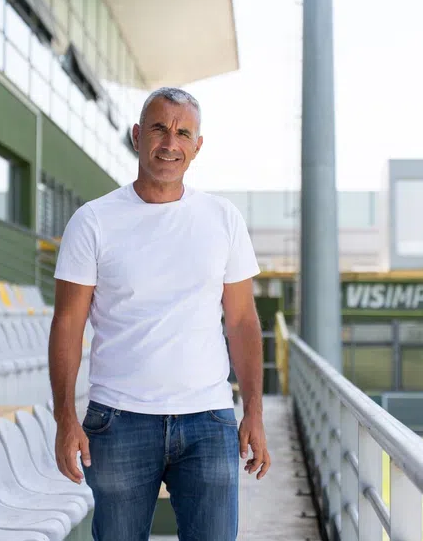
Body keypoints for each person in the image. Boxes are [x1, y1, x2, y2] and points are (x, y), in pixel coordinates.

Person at [49, 87, 270, 541]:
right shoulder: (93, 221)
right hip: (117, 421)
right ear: (136, 136)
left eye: (183, 132)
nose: (170, 142)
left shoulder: (223, 218)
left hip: (209, 420)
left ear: (197, 146)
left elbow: (243, 321)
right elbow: (67, 325)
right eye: (158, 128)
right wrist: (65, 418)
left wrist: (254, 413)